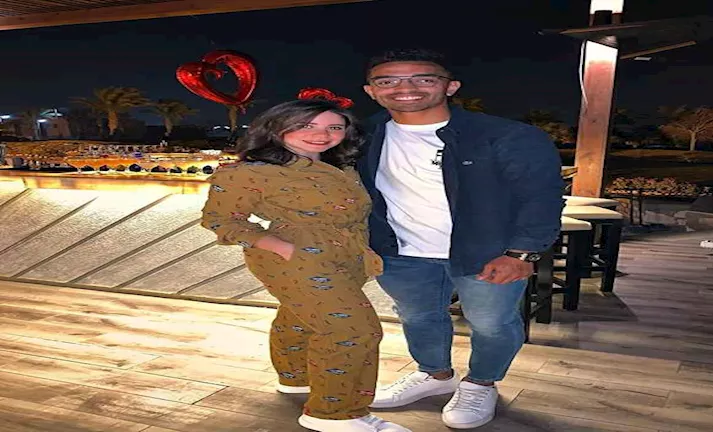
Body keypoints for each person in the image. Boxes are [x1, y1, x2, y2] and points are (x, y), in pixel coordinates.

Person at [357, 48, 564, 429]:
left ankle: (481, 383)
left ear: (450, 86)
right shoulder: (360, 135)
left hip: (487, 251)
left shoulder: (504, 135)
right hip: (399, 251)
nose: (405, 88)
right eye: (388, 80)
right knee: (417, 317)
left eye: (423, 78)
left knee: (491, 324)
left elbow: (541, 197)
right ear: (371, 90)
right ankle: (434, 374)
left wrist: (522, 253)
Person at [201, 99, 411, 432]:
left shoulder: (342, 166)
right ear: (277, 127)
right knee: (353, 330)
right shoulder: (248, 171)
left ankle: (296, 378)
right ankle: (334, 414)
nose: (322, 135)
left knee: (299, 317)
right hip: (298, 257)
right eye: (306, 125)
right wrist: (280, 247)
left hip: (347, 254)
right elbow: (219, 220)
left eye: (334, 127)